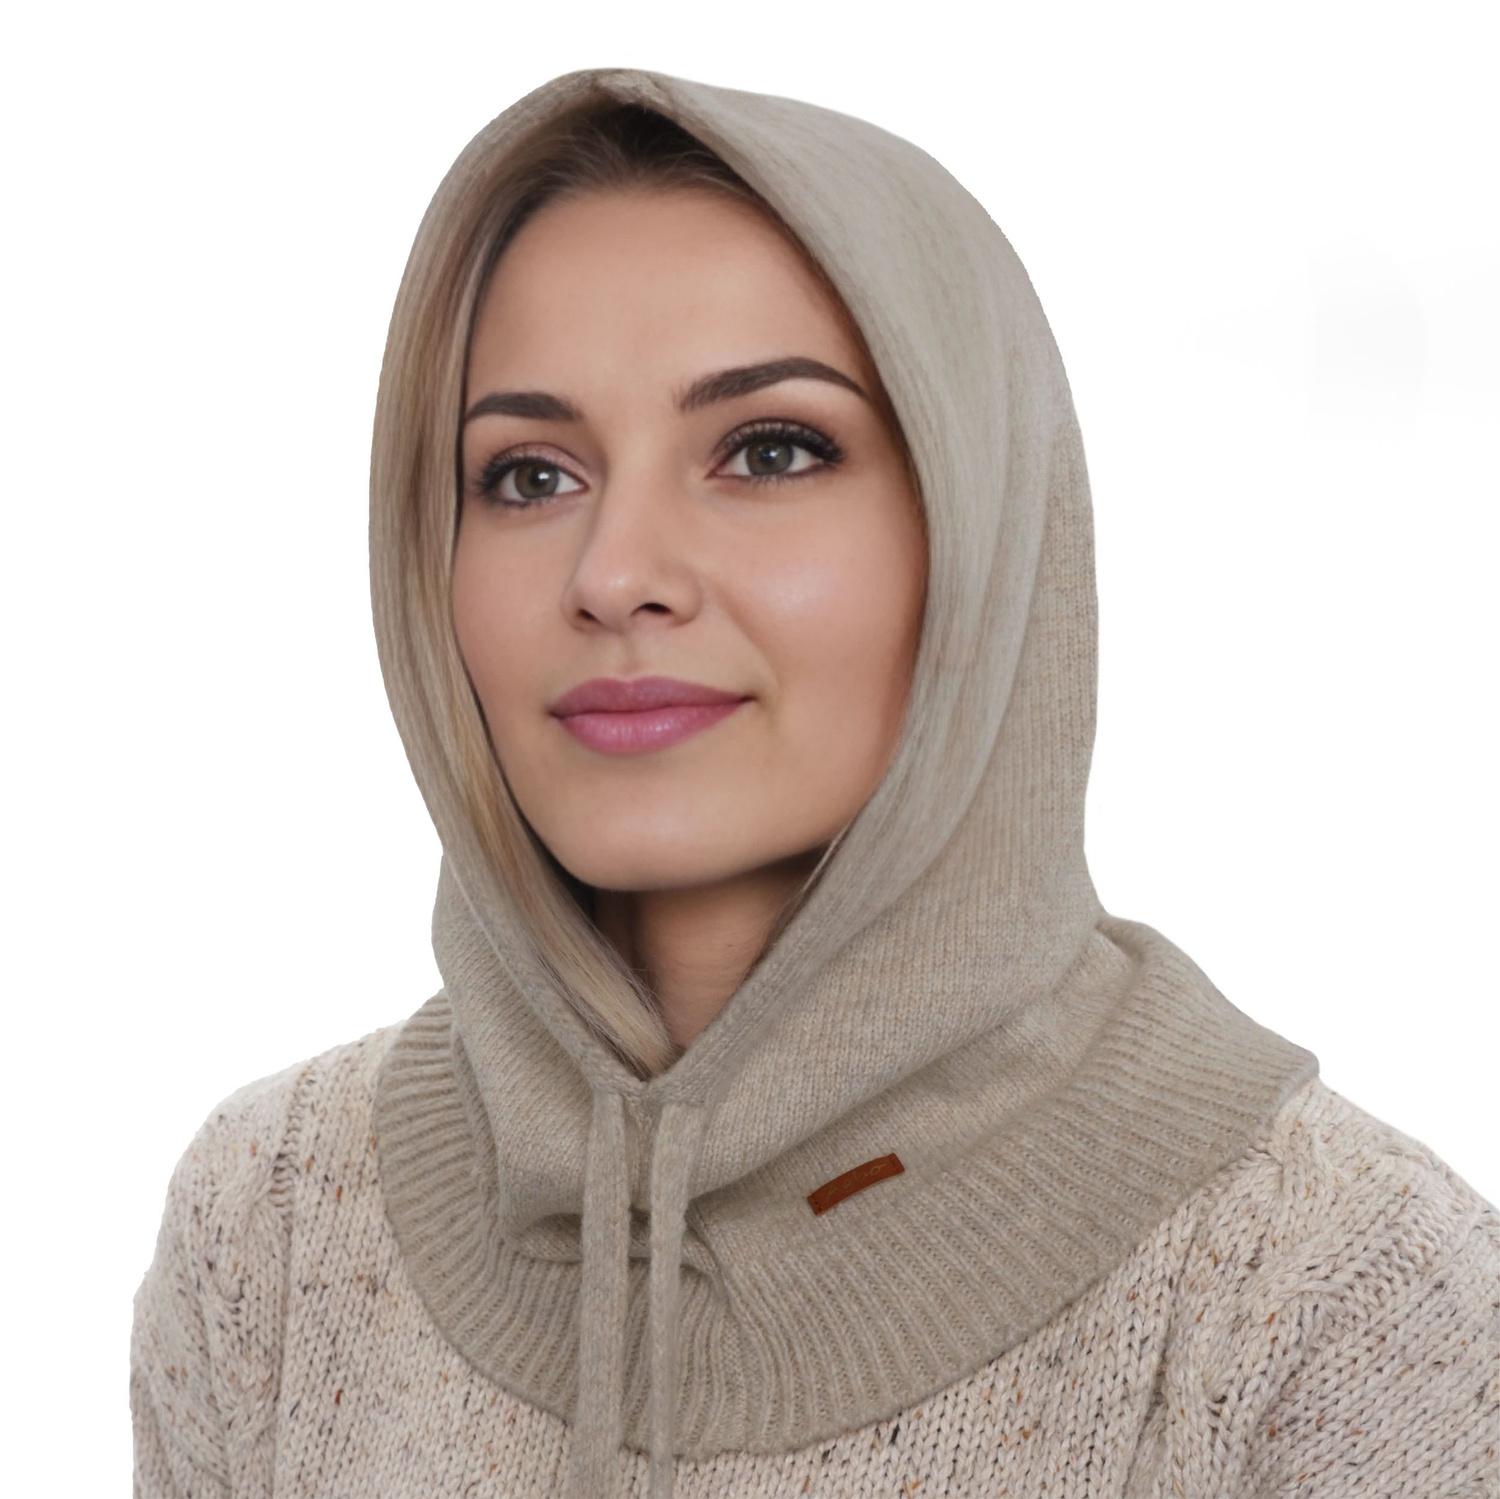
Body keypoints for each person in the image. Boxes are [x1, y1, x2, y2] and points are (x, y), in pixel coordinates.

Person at [130, 67, 1500, 1499]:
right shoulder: (275, 1225)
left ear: (976, 526)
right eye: (530, 476)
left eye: (769, 451)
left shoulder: (1338, 1303)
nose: (615, 575)